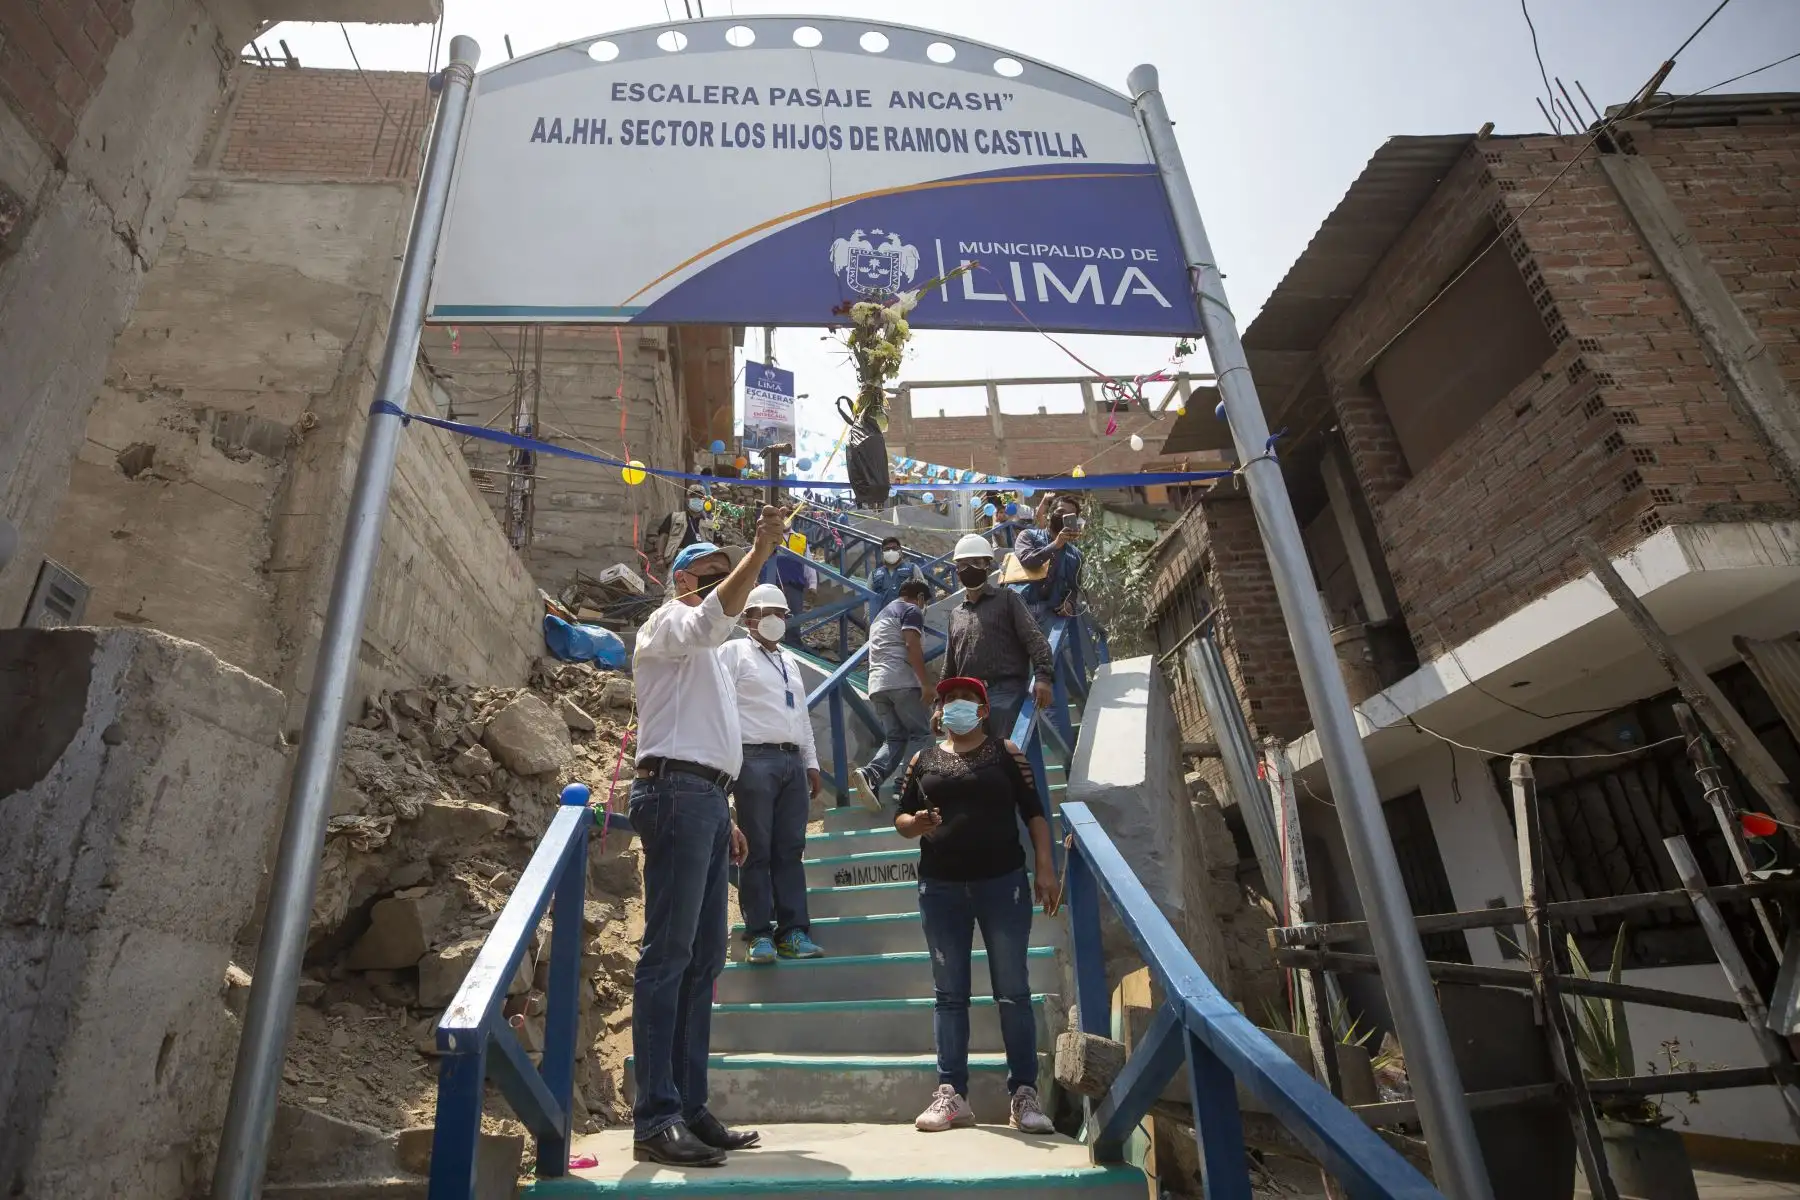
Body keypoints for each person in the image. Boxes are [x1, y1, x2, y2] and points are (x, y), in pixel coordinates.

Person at [626, 508, 785, 1167]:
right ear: (683, 579)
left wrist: (729, 815)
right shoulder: (669, 622)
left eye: (733, 574)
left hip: (707, 802)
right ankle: (656, 1115)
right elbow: (706, 620)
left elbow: (709, 737)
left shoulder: (714, 658)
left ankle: (688, 1106)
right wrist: (759, 554)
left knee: (702, 962)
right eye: (714, 575)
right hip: (675, 794)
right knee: (668, 956)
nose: (729, 585)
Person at [895, 677, 1059, 1135]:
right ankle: (952, 1094)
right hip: (940, 889)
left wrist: (1044, 868)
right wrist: (917, 824)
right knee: (949, 994)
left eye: (966, 699)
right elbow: (901, 819)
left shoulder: (1007, 753)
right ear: (940, 710)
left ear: (983, 710)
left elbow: (1035, 812)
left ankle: (1024, 1094)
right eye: (948, 699)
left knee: (1012, 990)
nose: (956, 705)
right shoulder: (921, 759)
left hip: (1002, 883)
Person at [717, 583, 825, 964]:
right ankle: (759, 934)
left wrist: (810, 762)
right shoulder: (732, 653)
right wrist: (728, 766)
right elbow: (722, 710)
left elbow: (801, 716)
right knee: (756, 851)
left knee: (790, 850)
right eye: (766, 613)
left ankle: (794, 931)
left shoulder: (789, 661)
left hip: (792, 762)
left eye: (780, 613)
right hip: (753, 761)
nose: (774, 620)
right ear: (749, 617)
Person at [942, 534, 1053, 742]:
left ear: (988, 565)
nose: (970, 569)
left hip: (1006, 694)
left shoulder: (1008, 600)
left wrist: (1043, 678)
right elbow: (950, 666)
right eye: (963, 564)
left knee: (1006, 758)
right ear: (957, 571)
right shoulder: (956, 614)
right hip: (968, 700)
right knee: (972, 765)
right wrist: (940, 706)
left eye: (976, 562)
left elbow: (1036, 641)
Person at [851, 576, 934, 811]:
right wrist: (926, 683)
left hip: (877, 685)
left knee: (895, 737)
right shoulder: (911, 610)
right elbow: (911, 646)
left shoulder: (881, 616)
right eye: (924, 602)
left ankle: (871, 774)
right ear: (919, 597)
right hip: (902, 682)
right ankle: (906, 786)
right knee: (922, 733)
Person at [1009, 493, 1084, 630]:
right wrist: (1056, 545)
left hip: (1051, 616)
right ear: (1050, 514)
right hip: (1021, 611)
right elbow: (1028, 561)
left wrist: (1070, 603)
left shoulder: (1076, 555)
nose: (1063, 517)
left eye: (1069, 515)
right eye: (1060, 511)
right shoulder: (1028, 536)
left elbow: (1074, 587)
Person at [654, 485, 711, 569]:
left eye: (700, 497)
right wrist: (660, 557)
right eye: (693, 496)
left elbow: (716, 545)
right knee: (673, 582)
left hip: (701, 563)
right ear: (686, 499)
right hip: (678, 560)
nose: (697, 499)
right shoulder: (674, 517)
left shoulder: (710, 524)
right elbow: (663, 536)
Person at [868, 535, 927, 610]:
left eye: (894, 548)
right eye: (887, 549)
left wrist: (919, 613)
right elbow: (868, 599)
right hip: (883, 618)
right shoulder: (874, 574)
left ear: (900, 550)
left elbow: (923, 593)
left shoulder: (912, 568)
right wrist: (869, 618)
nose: (891, 551)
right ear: (882, 552)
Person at [772, 550, 816, 646]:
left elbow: (808, 563)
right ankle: (770, 639)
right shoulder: (771, 536)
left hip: (795, 584)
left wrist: (813, 583)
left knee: (794, 615)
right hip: (773, 583)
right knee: (771, 612)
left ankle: (793, 644)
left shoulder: (801, 540)